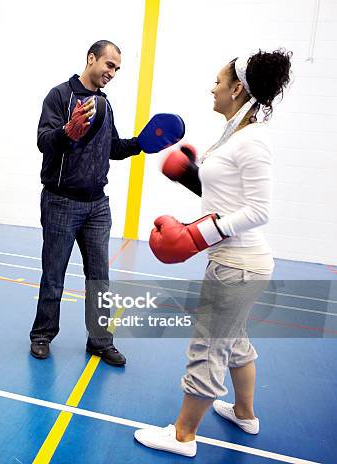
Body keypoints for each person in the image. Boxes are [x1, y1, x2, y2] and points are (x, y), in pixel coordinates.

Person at [135, 49, 292, 457]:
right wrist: (190, 178)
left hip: (237, 264)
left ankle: (183, 435)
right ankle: (244, 412)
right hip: (238, 262)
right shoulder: (236, 135)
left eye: (219, 82)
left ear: (237, 89)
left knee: (209, 346)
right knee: (234, 340)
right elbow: (226, 197)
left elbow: (259, 210)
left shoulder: (254, 141)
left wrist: (196, 235)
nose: (213, 88)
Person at [29, 40, 144, 367]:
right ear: (91, 58)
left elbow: (112, 147)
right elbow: (43, 142)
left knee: (99, 277)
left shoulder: (105, 105)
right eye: (109, 65)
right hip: (61, 202)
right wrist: (67, 131)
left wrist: (140, 143)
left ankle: (100, 341)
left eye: (117, 69)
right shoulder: (60, 96)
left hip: (97, 206)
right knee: (54, 275)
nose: (112, 73)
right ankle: (42, 334)